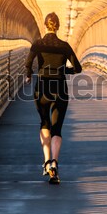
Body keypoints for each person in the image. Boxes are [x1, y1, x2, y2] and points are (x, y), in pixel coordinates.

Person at [25, 12, 82, 184]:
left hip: (42, 86)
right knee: (57, 129)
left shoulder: (38, 44)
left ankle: (46, 162)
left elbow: (28, 63)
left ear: (45, 25)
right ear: (57, 26)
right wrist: (64, 71)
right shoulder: (64, 46)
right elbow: (78, 68)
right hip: (59, 88)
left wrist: (29, 75)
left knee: (44, 123)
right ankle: (55, 164)